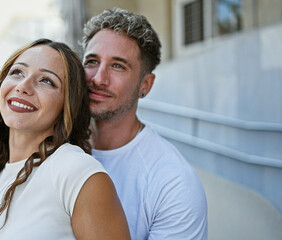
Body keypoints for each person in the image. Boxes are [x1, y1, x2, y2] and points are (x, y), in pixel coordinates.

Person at [0, 38, 130, 240]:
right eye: (17, 72)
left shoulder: (76, 172)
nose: (23, 86)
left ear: (68, 105)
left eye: (47, 80)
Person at [82, 8, 208, 239]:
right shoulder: (54, 148)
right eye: (92, 61)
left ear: (145, 85)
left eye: (118, 66)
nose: (99, 78)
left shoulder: (173, 183)